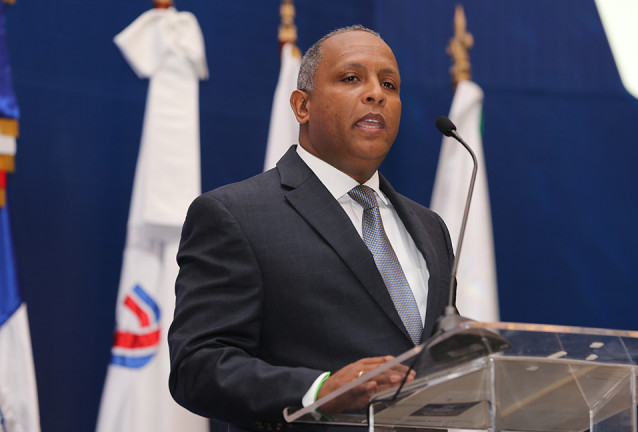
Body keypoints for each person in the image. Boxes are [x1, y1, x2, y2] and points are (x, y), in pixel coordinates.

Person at [168, 25, 454, 432]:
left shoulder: (430, 227)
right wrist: (318, 390)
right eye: (351, 78)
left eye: (389, 84)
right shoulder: (235, 215)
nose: (376, 94)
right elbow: (197, 367)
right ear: (302, 106)